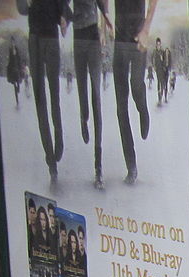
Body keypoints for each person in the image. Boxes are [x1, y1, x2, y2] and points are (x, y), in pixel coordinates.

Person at [21, 0, 72, 180]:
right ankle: (51, 161)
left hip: (51, 38)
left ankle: (58, 143)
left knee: (54, 96)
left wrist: (65, 19)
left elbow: (65, 9)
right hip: (34, 39)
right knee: (39, 99)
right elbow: (21, 10)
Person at [112, 0, 157, 185]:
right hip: (119, 40)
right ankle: (131, 166)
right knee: (121, 106)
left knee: (136, 84)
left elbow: (153, 3)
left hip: (138, 37)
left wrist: (146, 29)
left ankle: (143, 109)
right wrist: (104, 21)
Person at [72, 0, 110, 188]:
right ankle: (83, 117)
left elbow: (105, 8)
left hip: (93, 35)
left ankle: (98, 167)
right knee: (82, 92)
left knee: (96, 98)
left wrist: (103, 33)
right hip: (78, 37)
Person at [153, 37, 170, 105]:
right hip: (158, 70)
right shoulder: (154, 52)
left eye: (159, 44)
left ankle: (163, 97)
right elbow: (153, 60)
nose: (158, 45)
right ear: (156, 44)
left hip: (163, 71)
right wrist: (154, 66)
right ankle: (159, 99)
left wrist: (164, 66)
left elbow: (165, 60)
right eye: (157, 44)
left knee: (163, 84)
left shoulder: (162, 52)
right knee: (159, 84)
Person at [6, 42, 24, 107]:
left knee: (18, 82)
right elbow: (9, 61)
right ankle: (17, 101)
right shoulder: (10, 51)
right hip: (13, 71)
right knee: (14, 85)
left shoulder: (17, 52)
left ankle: (18, 88)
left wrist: (20, 68)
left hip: (17, 71)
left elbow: (19, 61)